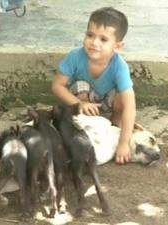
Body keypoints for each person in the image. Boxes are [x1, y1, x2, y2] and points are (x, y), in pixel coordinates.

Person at [51, 7, 135, 165]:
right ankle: (83, 122)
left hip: (107, 102)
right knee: (80, 84)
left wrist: (124, 143)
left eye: (103, 39)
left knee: (123, 95)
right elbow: (57, 86)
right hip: (84, 102)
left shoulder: (119, 66)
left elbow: (130, 106)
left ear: (117, 46)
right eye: (90, 35)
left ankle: (114, 120)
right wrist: (80, 104)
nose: (94, 43)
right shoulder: (75, 56)